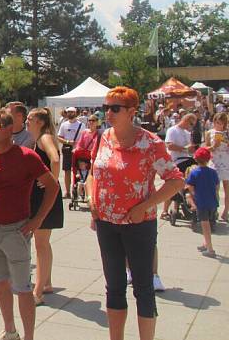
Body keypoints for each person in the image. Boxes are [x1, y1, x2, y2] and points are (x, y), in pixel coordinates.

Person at [88, 86, 184, 340]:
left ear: (132, 111)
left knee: (143, 288)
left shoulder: (150, 143)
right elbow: (92, 173)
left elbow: (175, 181)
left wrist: (144, 206)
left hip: (138, 225)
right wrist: (91, 198)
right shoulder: (103, 137)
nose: (108, 113)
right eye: (105, 107)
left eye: (115, 108)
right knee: (114, 288)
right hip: (107, 224)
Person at [0, 109, 59, 340]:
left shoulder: (27, 157)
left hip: (16, 230)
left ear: (8, 128)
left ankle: (29, 336)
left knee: (23, 288)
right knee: (0, 283)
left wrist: (38, 219)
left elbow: (52, 187)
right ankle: (10, 330)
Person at [25, 108, 65, 305]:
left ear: (40, 121)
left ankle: (38, 291)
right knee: (43, 242)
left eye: (30, 118)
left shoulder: (44, 138)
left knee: (40, 244)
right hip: (43, 194)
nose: (27, 121)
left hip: (44, 196)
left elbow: (55, 159)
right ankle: (46, 283)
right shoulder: (42, 137)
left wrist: (52, 181)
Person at [186, 147, 219, 258]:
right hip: (213, 202)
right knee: (209, 222)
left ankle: (210, 249)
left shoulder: (194, 173)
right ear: (209, 159)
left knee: (205, 226)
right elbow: (216, 186)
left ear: (196, 159)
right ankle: (205, 244)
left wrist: (194, 196)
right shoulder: (213, 172)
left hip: (202, 203)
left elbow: (190, 187)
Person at [162, 113, 196, 218]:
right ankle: (165, 211)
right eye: (190, 123)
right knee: (172, 185)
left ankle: (186, 205)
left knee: (190, 180)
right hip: (176, 161)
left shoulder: (187, 132)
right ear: (185, 120)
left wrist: (192, 149)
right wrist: (185, 149)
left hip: (186, 159)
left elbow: (189, 148)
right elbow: (169, 145)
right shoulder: (172, 130)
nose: (191, 126)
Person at [205, 112, 229, 220]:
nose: (218, 125)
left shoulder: (227, 133)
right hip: (214, 161)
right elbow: (205, 149)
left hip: (226, 160)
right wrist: (214, 146)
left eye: (221, 123)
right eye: (216, 122)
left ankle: (226, 211)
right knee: (215, 188)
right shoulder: (209, 133)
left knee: (227, 188)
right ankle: (214, 210)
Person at [58, 107, 84, 198]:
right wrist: (68, 142)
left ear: (75, 113)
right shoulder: (64, 125)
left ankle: (77, 190)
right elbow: (59, 137)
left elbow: (84, 137)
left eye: (71, 112)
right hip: (67, 150)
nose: (70, 114)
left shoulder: (81, 125)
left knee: (78, 170)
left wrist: (79, 144)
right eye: (68, 112)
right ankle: (67, 191)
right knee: (67, 171)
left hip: (78, 151)